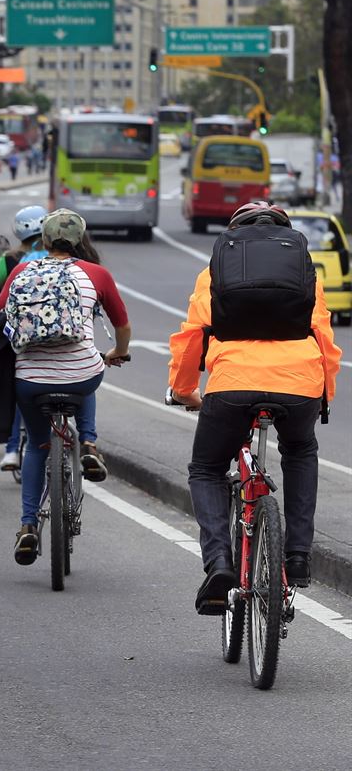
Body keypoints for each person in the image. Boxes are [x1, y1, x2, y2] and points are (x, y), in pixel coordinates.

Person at [168, 201, 341, 612]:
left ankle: (219, 564)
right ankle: (297, 555)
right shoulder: (304, 272)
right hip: (299, 382)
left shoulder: (214, 272)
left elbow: (193, 336)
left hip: (232, 383)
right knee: (300, 450)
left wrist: (184, 389)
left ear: (234, 236)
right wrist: (322, 396)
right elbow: (324, 340)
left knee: (207, 468)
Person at [0, 209, 131, 566]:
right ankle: (88, 442)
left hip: (29, 381)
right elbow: (122, 323)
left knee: (37, 446)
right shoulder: (96, 274)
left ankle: (27, 526)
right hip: (80, 374)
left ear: (45, 241)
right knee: (88, 376)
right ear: (82, 241)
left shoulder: (22, 270)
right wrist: (117, 352)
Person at [0, 205, 47, 471]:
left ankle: (11, 450)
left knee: (17, 386)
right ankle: (85, 438)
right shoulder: (64, 258)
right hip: (62, 339)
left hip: (21, 336)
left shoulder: (11, 260)